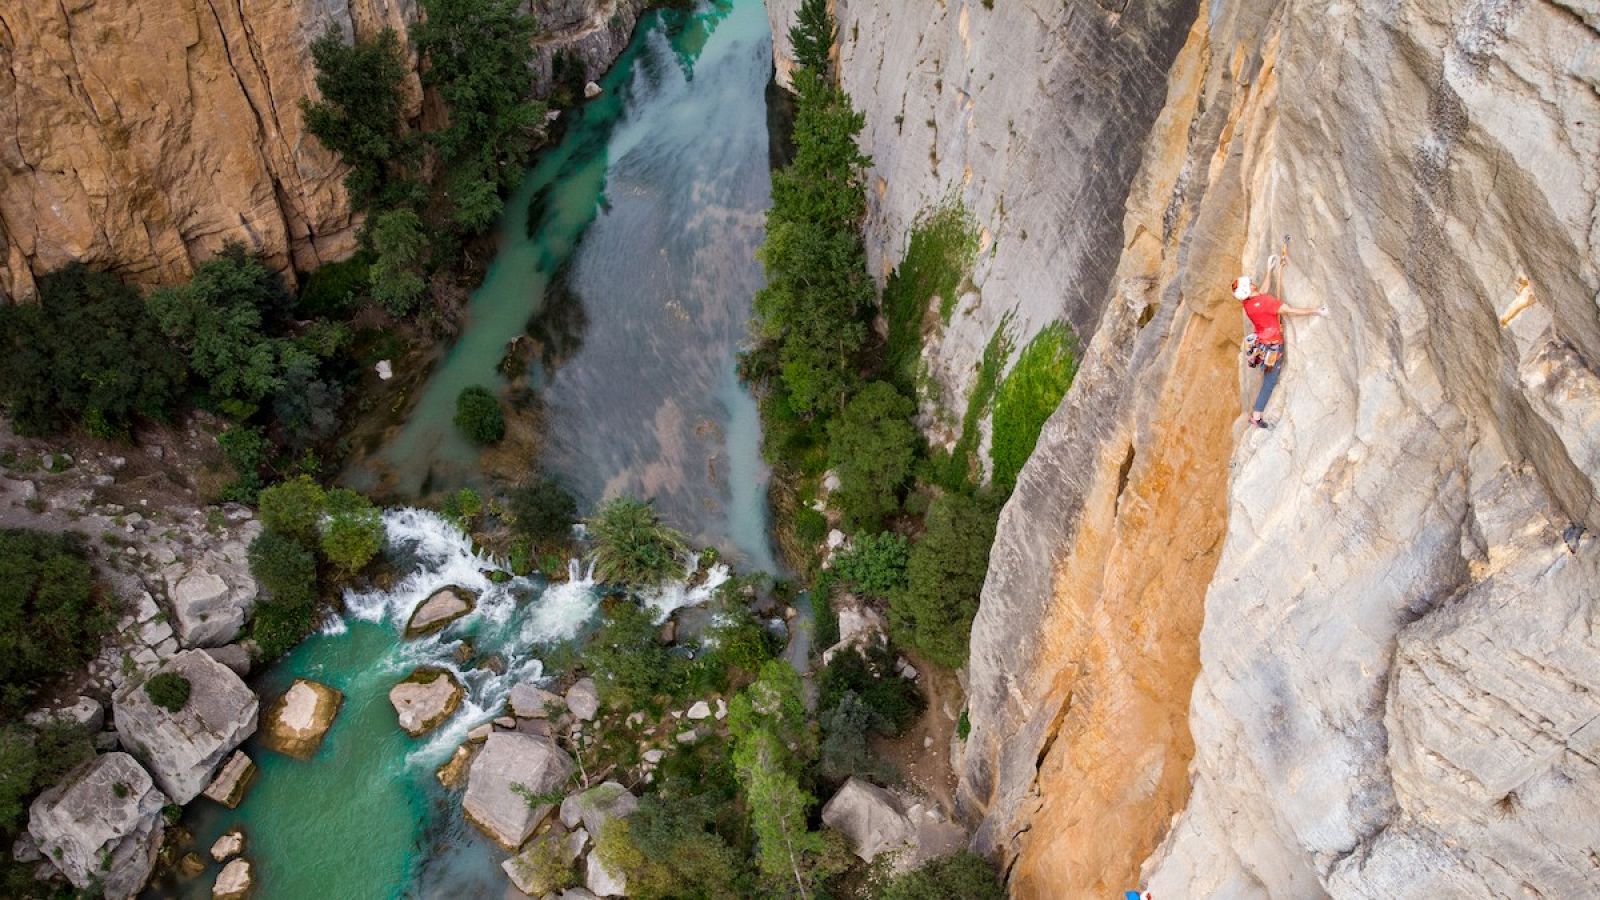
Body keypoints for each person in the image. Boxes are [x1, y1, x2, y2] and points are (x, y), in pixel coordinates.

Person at [1234, 252, 1326, 428]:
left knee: (1267, 375)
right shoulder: (1267, 303)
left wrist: (1269, 270)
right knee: (1269, 383)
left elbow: (1260, 292)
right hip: (1273, 347)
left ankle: (1257, 409)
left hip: (1262, 344)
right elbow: (1291, 310)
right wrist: (1316, 311)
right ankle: (1256, 416)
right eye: (1250, 284)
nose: (1252, 283)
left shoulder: (1248, 303)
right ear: (1248, 290)